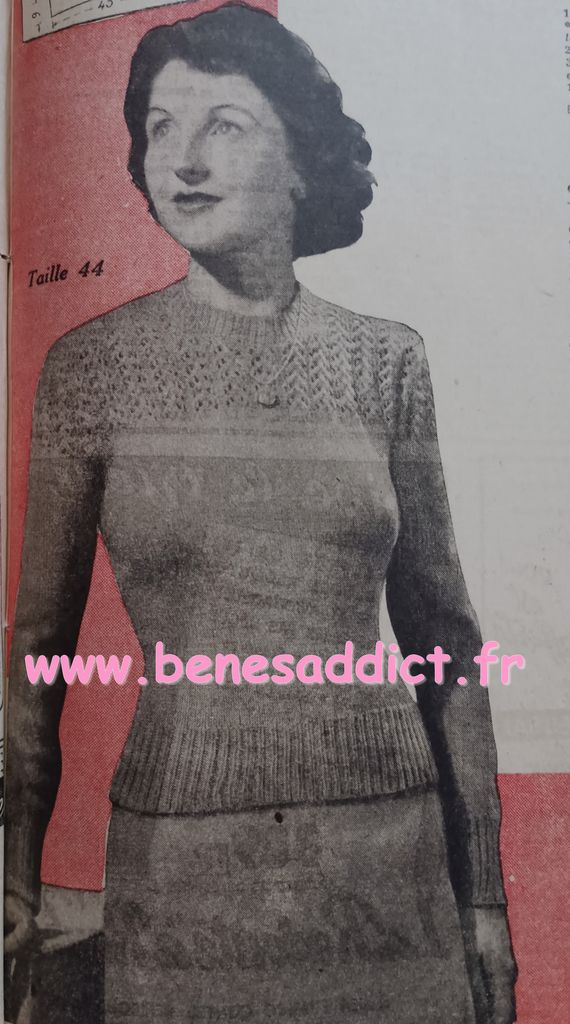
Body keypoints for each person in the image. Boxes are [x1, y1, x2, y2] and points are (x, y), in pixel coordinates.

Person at [4, 5, 517, 1022]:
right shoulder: (90, 370)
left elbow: (447, 646)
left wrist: (486, 901)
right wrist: (13, 876)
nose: (183, 160)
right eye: (161, 127)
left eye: (224, 126)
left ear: (300, 160)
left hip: (391, 862)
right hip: (182, 868)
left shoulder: (386, 362)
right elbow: (35, 654)